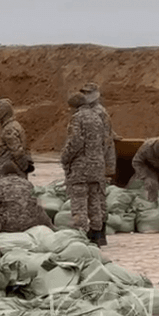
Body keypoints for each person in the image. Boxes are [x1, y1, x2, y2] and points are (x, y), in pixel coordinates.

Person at [60, 91, 108, 246]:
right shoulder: (97, 117)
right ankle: (97, 233)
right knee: (94, 200)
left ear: (74, 107)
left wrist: (64, 158)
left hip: (81, 168)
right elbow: (104, 142)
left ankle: (80, 236)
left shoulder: (77, 118)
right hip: (97, 167)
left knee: (79, 202)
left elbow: (75, 142)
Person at [0, 161, 54, 235]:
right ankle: (52, 228)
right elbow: (34, 200)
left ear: (2, 173)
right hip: (30, 223)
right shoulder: (27, 183)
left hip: (8, 226)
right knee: (38, 207)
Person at [81, 82, 117, 183]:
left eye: (88, 92)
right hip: (93, 155)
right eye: (85, 93)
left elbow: (105, 133)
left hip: (99, 154)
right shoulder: (88, 110)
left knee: (101, 183)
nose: (86, 95)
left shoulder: (99, 111)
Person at [0, 99, 33, 177]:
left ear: (3, 113)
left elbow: (17, 151)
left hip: (12, 171)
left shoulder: (8, 129)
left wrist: (24, 168)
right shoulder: (15, 125)